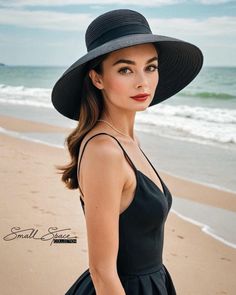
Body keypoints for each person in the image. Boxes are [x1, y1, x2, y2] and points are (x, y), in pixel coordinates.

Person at [51, 9, 203, 295]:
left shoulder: (129, 140)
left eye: (151, 67)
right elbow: (102, 271)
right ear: (97, 78)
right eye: (125, 69)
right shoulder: (104, 150)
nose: (142, 82)